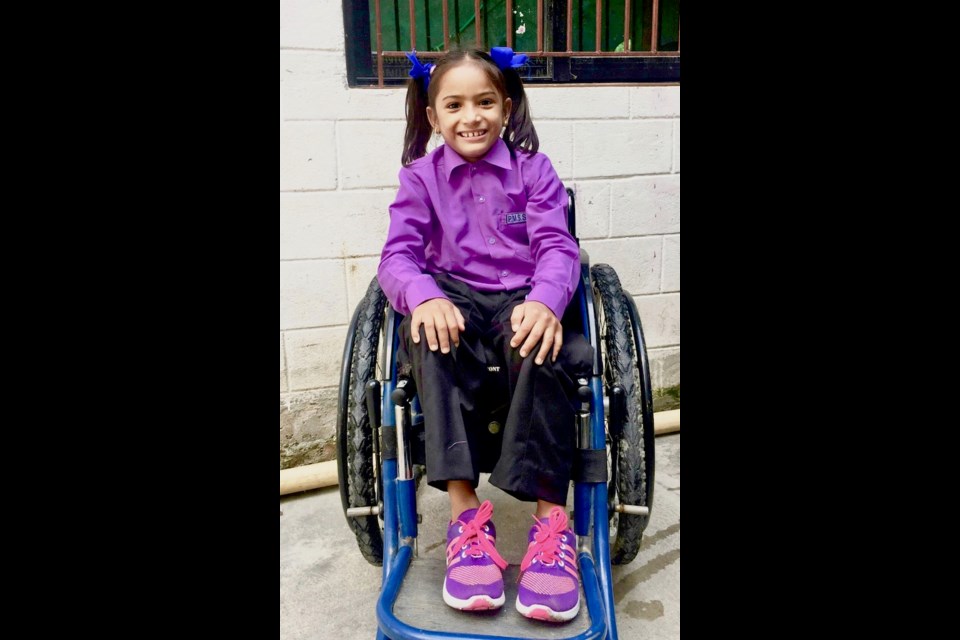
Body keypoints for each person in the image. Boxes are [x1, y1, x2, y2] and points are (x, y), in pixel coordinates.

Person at [377, 46, 592, 623]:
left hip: (523, 294)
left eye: (484, 102)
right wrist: (423, 295)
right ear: (433, 116)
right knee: (425, 334)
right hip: (456, 297)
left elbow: (556, 247)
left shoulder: (534, 171)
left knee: (545, 342)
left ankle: (552, 524)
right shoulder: (420, 179)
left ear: (506, 106)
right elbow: (397, 255)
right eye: (454, 104)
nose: (470, 116)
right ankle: (467, 516)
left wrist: (546, 301)